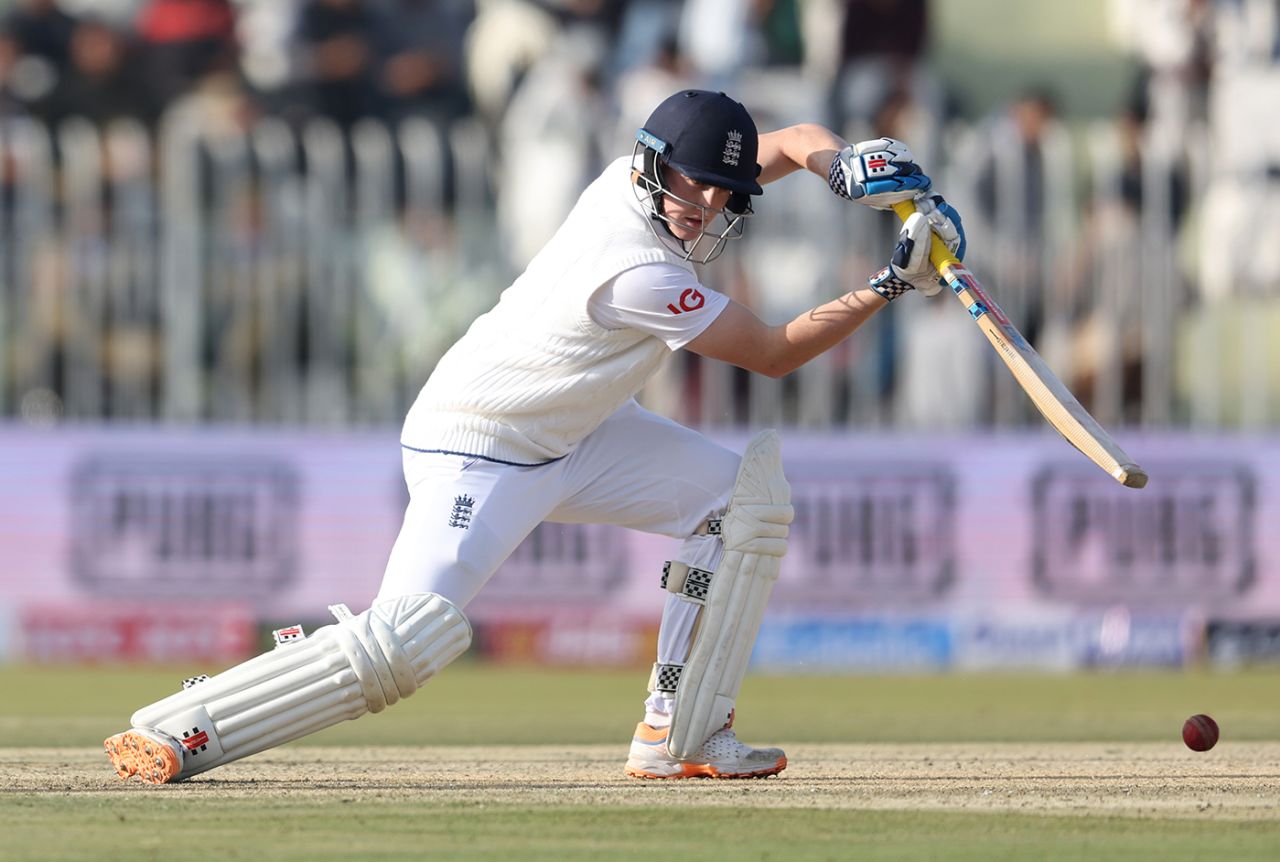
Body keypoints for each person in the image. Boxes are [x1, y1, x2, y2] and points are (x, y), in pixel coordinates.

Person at [103, 89, 964, 784]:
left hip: (579, 429)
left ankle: (680, 732)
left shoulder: (632, 179)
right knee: (408, 640)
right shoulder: (637, 270)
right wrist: (892, 283)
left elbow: (794, 140)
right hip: (478, 445)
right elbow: (772, 354)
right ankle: (188, 722)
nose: (704, 206)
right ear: (652, 165)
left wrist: (844, 166)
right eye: (692, 183)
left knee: (741, 504)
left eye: (720, 191)